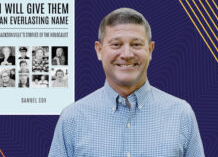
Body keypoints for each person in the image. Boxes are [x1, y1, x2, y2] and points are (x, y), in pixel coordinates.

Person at [49, 8, 204, 157]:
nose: (127, 54)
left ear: (150, 50)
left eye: (136, 44)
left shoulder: (181, 114)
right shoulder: (72, 118)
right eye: (116, 44)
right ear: (99, 50)